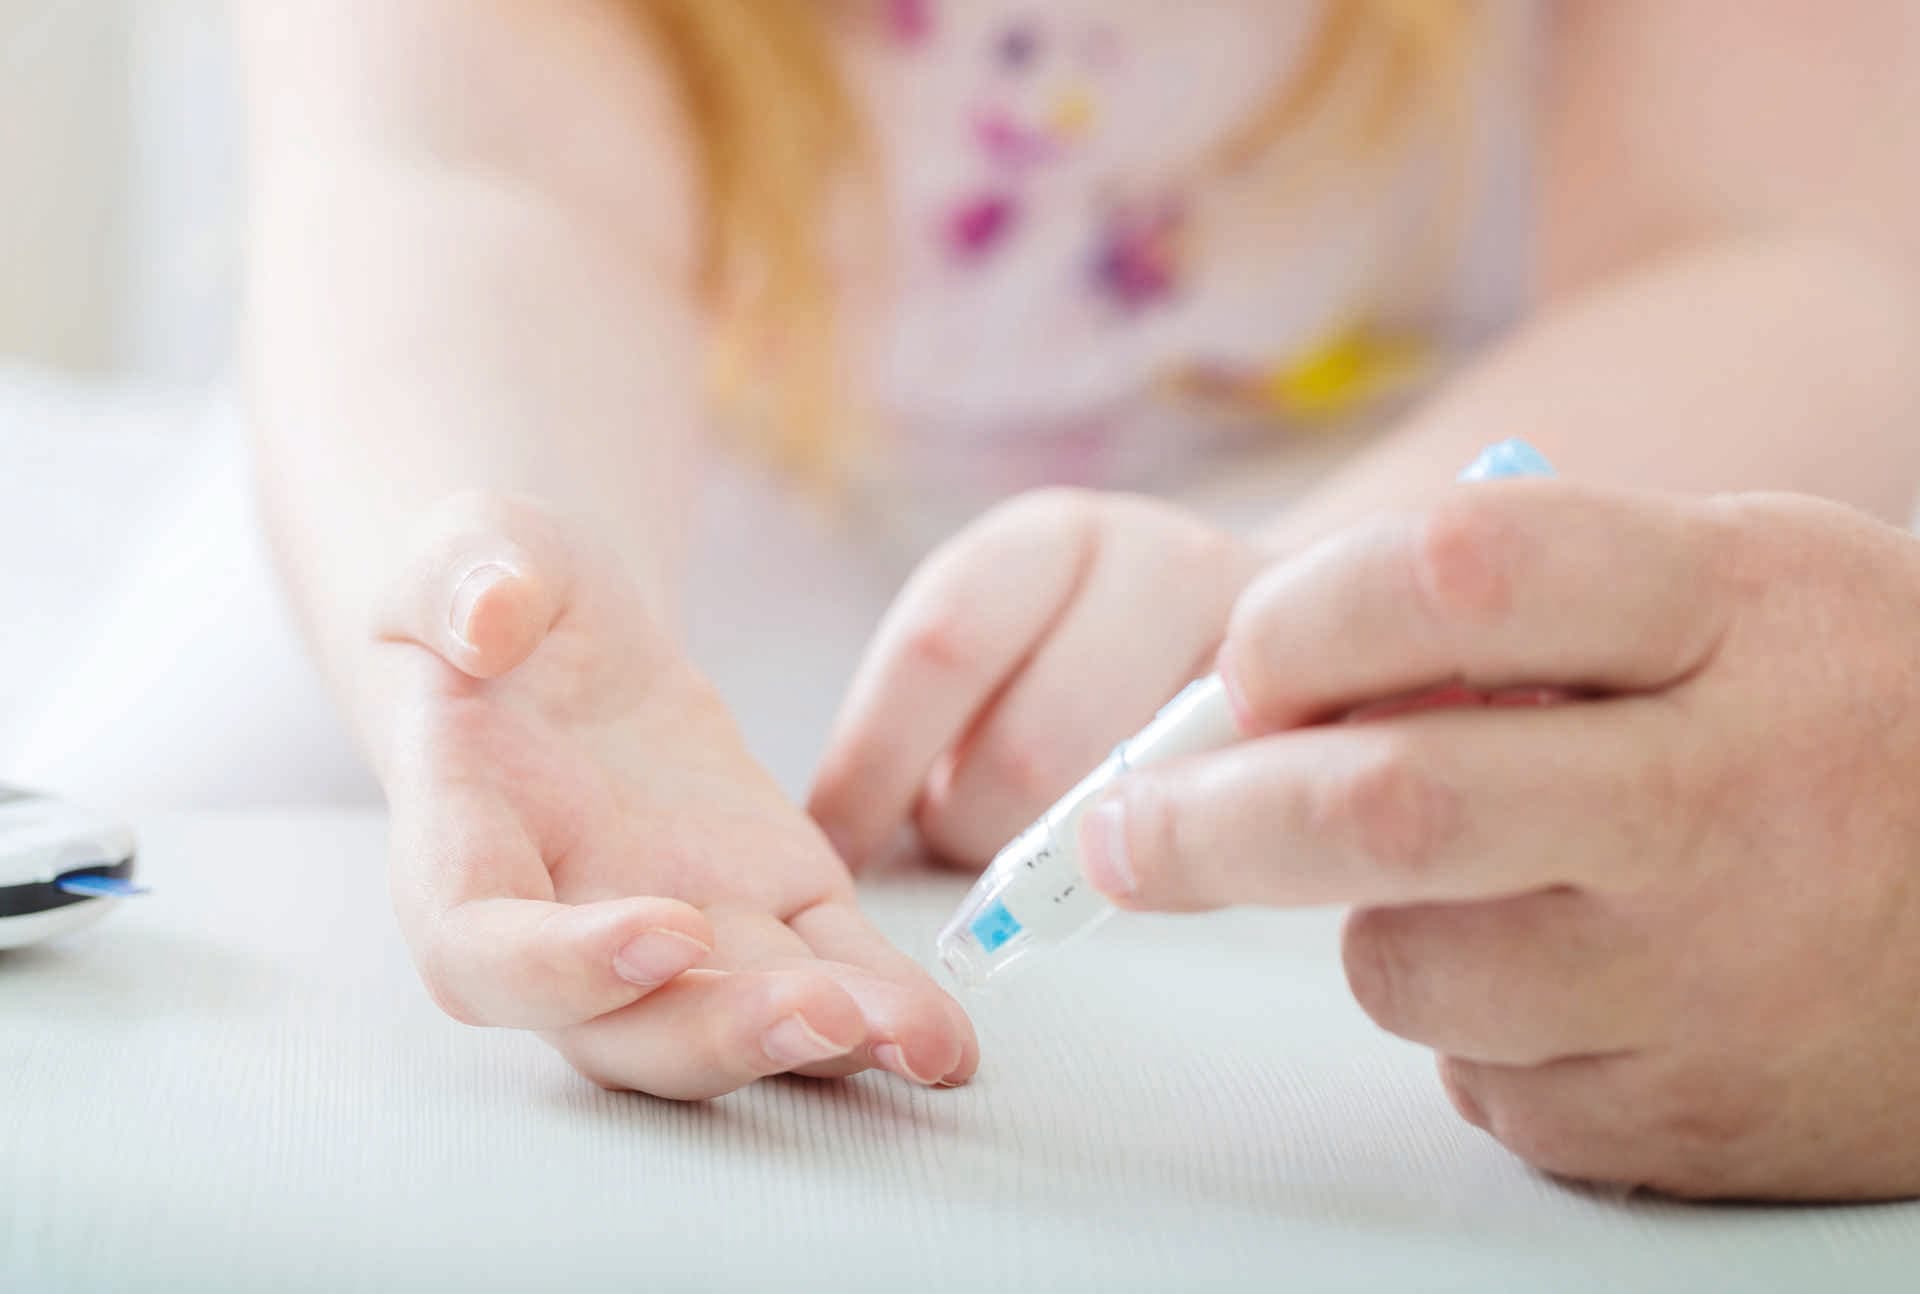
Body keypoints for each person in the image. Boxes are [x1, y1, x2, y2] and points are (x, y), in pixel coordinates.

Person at [237, 0, 1920, 1194]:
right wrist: (510, 554)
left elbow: (1774, 242)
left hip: (1418, 450)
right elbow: (450, 171)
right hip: (640, 451)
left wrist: (1323, 595)